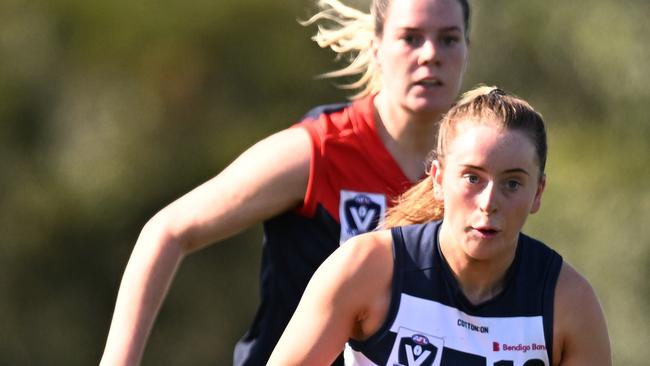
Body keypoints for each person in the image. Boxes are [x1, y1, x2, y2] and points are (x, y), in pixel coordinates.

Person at [99, 0, 471, 365]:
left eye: (449, 39)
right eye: (410, 38)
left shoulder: (475, 177)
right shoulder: (321, 150)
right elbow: (166, 231)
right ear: (377, 50)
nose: (430, 55)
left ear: (467, 50)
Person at [267, 86, 612, 366]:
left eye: (512, 183)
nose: (489, 201)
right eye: (472, 177)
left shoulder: (567, 302)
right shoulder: (365, 267)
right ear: (438, 179)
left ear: (537, 193)